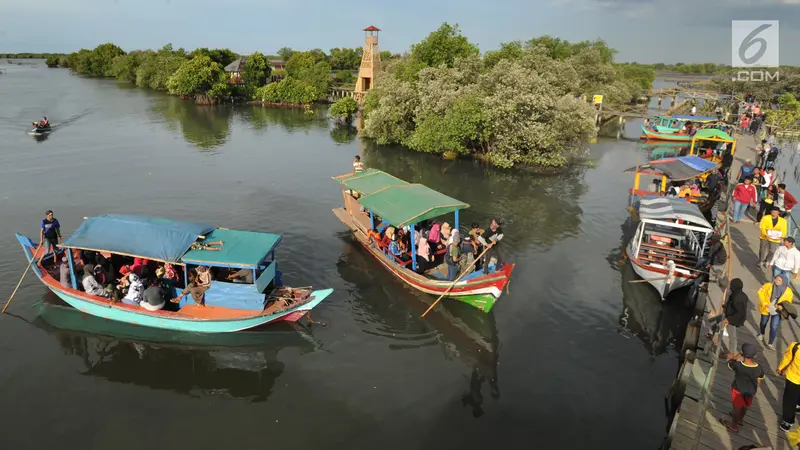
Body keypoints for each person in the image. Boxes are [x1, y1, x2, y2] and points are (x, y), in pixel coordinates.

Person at [720, 343, 764, 433]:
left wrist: (739, 354)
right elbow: (759, 380)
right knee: (745, 406)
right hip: (750, 391)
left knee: (736, 408)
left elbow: (730, 362)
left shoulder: (738, 366)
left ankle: (734, 426)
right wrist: (754, 390)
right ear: (755, 355)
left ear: (743, 354)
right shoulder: (759, 368)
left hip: (738, 390)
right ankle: (740, 419)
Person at [708, 278, 749, 360]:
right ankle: (713, 335)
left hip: (733, 319)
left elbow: (739, 312)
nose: (730, 287)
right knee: (713, 321)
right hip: (728, 314)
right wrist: (726, 307)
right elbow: (732, 306)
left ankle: (731, 353)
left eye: (731, 285)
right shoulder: (738, 294)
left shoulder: (738, 298)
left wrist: (728, 320)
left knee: (732, 336)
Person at [757, 273, 792, 350]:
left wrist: (782, 306)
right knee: (763, 322)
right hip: (766, 308)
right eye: (776, 279)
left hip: (777, 311)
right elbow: (760, 293)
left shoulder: (788, 291)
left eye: (779, 280)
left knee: (774, 326)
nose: (776, 281)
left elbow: (788, 302)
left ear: (784, 282)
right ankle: (762, 334)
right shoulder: (768, 285)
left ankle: (770, 343)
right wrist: (765, 303)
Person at [780, 341, 800, 432]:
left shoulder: (795, 346)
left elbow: (787, 358)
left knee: (789, 400)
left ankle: (787, 422)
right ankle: (798, 406)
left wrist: (780, 368)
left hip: (793, 378)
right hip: (794, 377)